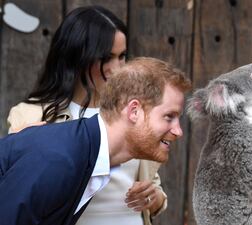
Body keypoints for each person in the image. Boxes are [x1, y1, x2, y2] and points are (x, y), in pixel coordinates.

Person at [6, 6, 167, 225]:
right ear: (78, 56)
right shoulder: (30, 115)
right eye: (106, 58)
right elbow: (18, 195)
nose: (117, 68)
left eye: (122, 56)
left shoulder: (135, 112)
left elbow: (154, 189)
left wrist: (153, 198)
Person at [0, 57, 192, 225]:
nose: (178, 131)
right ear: (134, 111)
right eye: (169, 116)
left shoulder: (88, 155)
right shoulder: (60, 158)